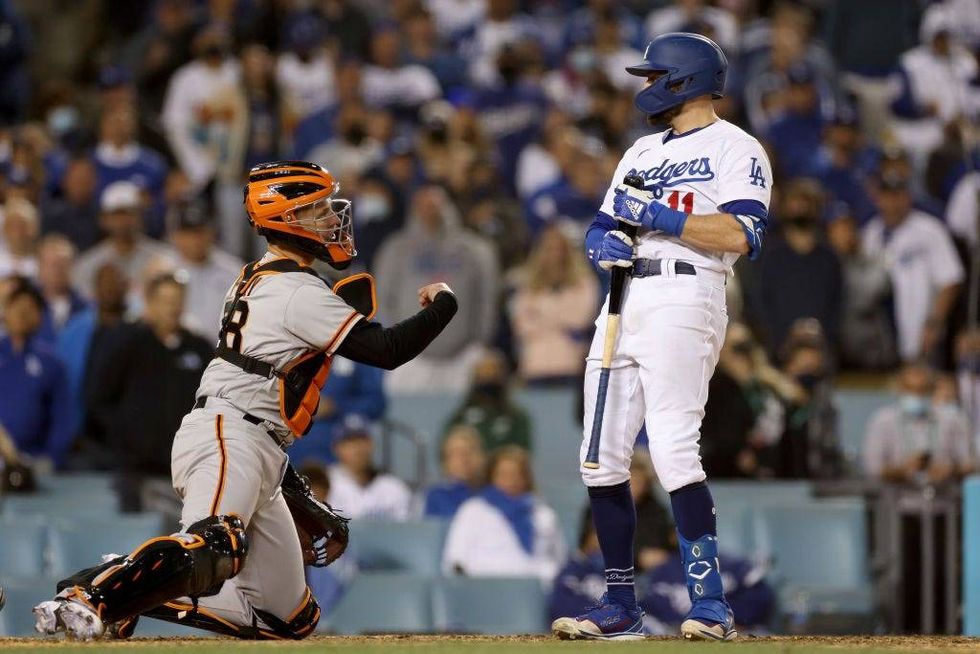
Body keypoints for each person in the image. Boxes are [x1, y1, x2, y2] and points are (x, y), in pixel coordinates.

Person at [34, 161, 458, 641]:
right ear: (285, 219)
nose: (329, 219)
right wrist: (444, 304)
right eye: (315, 210)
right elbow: (387, 350)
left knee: (286, 619)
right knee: (216, 545)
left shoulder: (260, 276)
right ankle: (91, 593)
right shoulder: (294, 289)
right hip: (229, 432)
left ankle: (134, 578)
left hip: (257, 440)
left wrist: (277, 466)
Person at [551, 33, 772, 642]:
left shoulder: (737, 146)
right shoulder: (641, 151)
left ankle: (710, 604)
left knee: (674, 449)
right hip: (624, 299)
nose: (645, 87)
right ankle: (620, 604)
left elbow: (742, 234)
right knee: (599, 458)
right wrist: (601, 242)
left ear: (687, 78)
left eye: (654, 77)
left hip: (687, 291)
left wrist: (663, 219)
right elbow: (605, 221)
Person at [88, 273, 213, 512]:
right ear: (150, 303)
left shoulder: (200, 348)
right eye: (165, 300)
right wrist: (125, 435)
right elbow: (100, 399)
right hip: (136, 470)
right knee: (136, 539)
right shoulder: (128, 345)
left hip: (186, 468)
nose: (172, 307)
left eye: (177, 300)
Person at [374, 184, 498, 393]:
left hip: (463, 356)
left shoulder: (476, 250)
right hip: (410, 358)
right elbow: (382, 300)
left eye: (434, 205)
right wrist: (397, 344)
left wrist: (479, 342)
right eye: (423, 206)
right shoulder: (395, 249)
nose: (429, 212)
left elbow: (487, 300)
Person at [862, 171, 963, 363]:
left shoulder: (929, 229)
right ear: (877, 198)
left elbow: (951, 280)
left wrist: (934, 323)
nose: (893, 202)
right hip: (882, 339)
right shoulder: (870, 234)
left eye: (898, 195)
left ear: (907, 196)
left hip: (922, 332)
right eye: (887, 195)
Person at [442, 445, 566, 583]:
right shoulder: (473, 510)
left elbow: (560, 560)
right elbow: (455, 561)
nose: (510, 480)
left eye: (516, 474)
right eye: (503, 474)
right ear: (492, 477)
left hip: (537, 591)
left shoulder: (543, 514)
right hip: (485, 590)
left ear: (526, 479)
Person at [755, 178, 841, 354]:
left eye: (806, 201)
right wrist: (784, 343)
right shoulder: (769, 257)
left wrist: (820, 343)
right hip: (778, 352)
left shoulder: (830, 259)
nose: (800, 206)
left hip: (822, 353)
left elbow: (837, 308)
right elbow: (761, 306)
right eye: (795, 200)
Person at [510, 224, 599, 386]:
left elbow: (580, 319)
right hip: (534, 364)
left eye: (559, 249)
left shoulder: (584, 283)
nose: (554, 254)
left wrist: (540, 315)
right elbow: (521, 325)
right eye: (549, 249)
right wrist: (560, 318)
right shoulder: (528, 285)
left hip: (569, 363)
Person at [0, 278, 73, 469]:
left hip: (34, 461)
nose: (22, 314)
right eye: (16, 307)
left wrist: (52, 458)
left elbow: (62, 417)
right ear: (5, 313)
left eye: (29, 308)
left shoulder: (52, 364)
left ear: (40, 317)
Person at [863, 363, 973, 484]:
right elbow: (872, 469)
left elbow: (969, 465)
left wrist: (950, 470)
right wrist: (903, 470)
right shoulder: (883, 421)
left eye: (922, 390)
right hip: (897, 496)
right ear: (900, 389)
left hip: (943, 494)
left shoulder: (951, 420)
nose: (916, 396)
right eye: (910, 389)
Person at [73, 181, 174, 300]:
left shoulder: (163, 258)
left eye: (129, 213)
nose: (123, 221)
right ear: (104, 219)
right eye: (116, 215)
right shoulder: (87, 265)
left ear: (140, 216)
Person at [165, 199, 243, 342]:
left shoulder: (233, 270)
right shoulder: (164, 269)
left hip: (221, 354)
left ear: (212, 233)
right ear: (175, 236)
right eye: (188, 233)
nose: (195, 239)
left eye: (200, 231)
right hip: (175, 352)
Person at [288, 355, 386, 467]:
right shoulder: (297, 353)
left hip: (339, 458)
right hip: (295, 454)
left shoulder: (358, 354)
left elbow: (376, 402)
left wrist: (335, 407)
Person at [325, 414, 413, 521]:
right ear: (336, 448)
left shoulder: (394, 488)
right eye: (350, 441)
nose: (358, 448)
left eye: (362, 439)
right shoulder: (325, 484)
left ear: (372, 444)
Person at [442, 350, 532, 453]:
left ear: (502, 377)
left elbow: (522, 453)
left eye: (493, 374)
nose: (488, 379)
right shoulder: (461, 416)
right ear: (475, 378)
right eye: (483, 375)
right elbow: (446, 448)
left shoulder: (517, 417)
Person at [423, 424, 487, 519]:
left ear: (481, 457)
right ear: (445, 463)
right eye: (456, 454)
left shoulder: (493, 493)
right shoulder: (436, 496)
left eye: (468, 452)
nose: (463, 460)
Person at [0, 197, 40, 278]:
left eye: (22, 225)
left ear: (34, 228)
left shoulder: (45, 263)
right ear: (4, 229)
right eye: (12, 225)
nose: (17, 231)